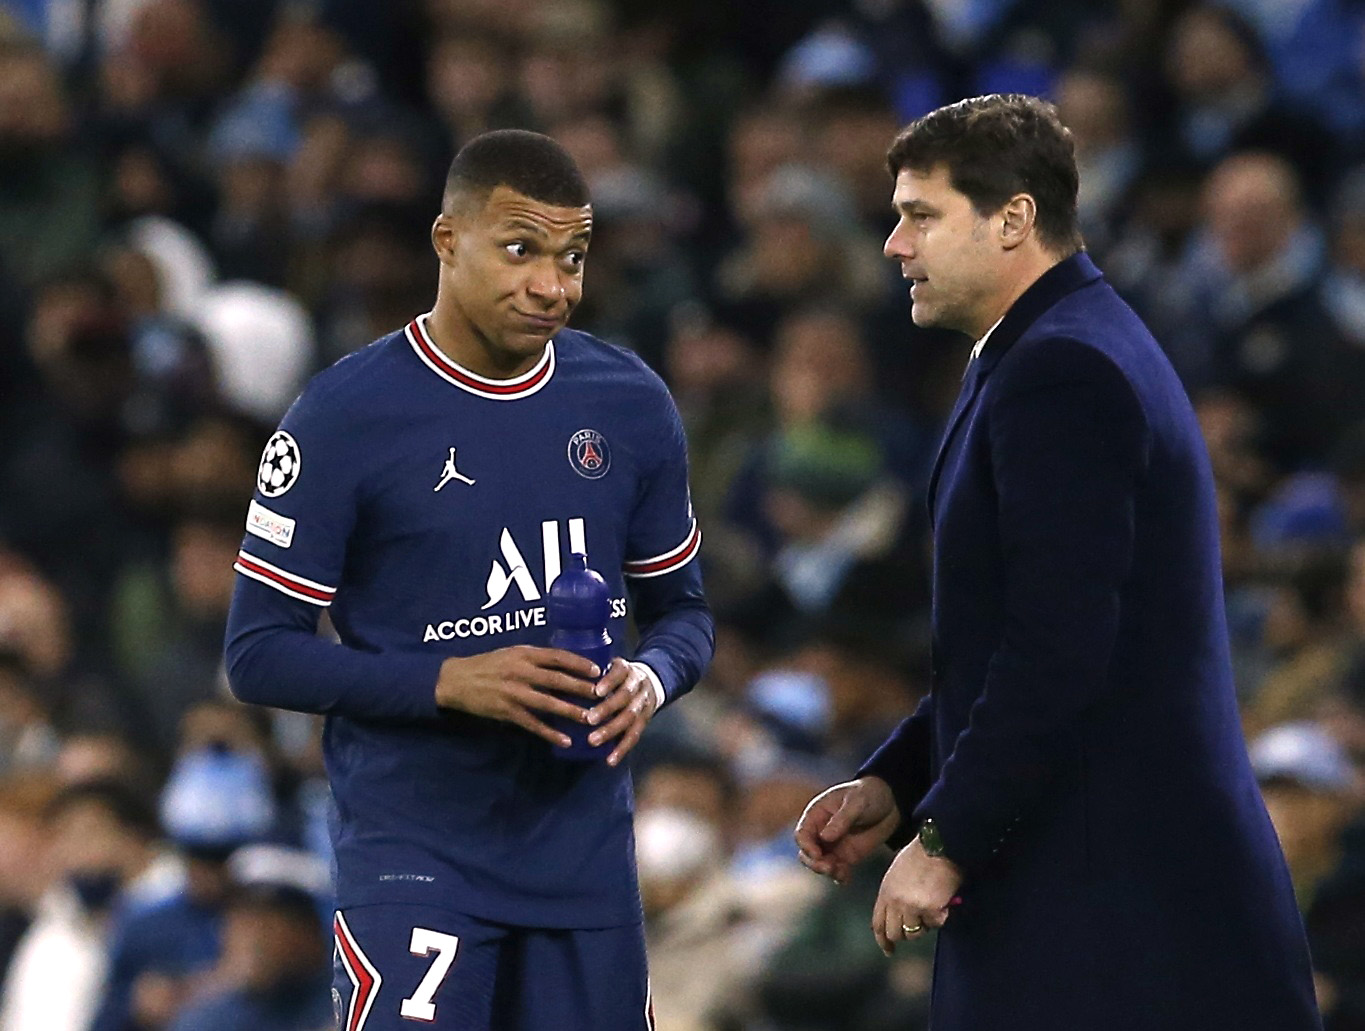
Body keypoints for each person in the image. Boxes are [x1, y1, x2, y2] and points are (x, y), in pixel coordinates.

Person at [794, 94, 1321, 1031]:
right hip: (1102, 895)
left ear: (1013, 218)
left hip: (1117, 913)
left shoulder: (1062, 370)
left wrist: (947, 834)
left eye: (919, 215)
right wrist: (898, 782)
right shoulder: (1050, 347)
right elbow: (1015, 638)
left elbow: (1060, 643)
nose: (892, 245)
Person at [224, 129, 714, 1031]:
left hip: (585, 858)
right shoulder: (343, 414)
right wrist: (449, 681)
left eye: (572, 257)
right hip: (418, 854)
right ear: (447, 241)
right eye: (520, 249)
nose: (552, 285)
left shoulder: (629, 400)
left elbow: (683, 613)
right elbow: (257, 654)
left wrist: (651, 678)